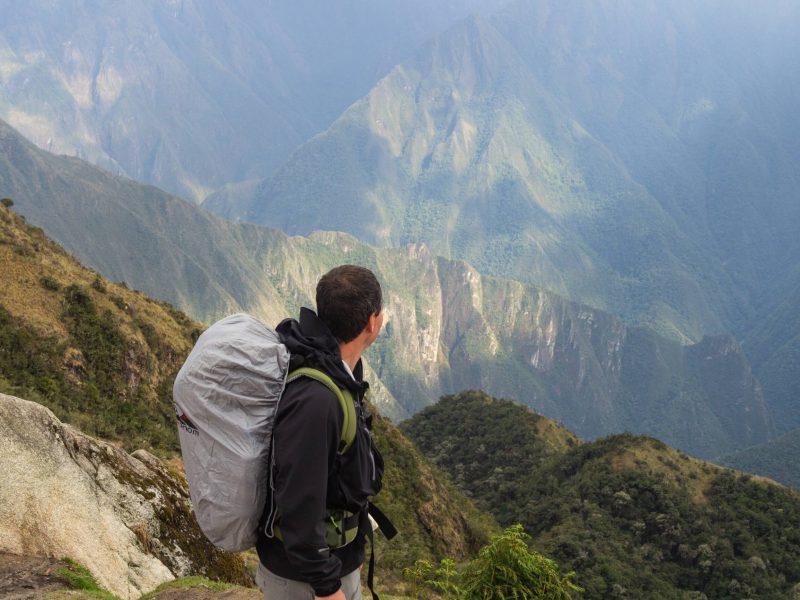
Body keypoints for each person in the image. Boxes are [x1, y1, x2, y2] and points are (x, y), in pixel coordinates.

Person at [256, 265, 386, 600]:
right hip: (304, 582)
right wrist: (327, 587)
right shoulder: (317, 401)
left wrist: (352, 552)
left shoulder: (338, 370)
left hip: (333, 566)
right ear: (373, 322)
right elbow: (298, 501)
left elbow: (340, 477)